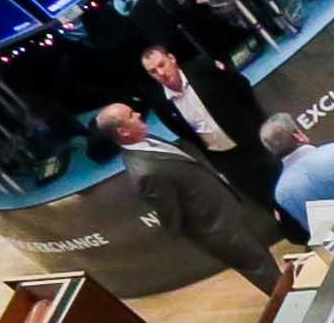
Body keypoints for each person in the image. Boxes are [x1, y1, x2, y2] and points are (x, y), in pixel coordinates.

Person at [96, 103, 283, 295]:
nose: (138, 114)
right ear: (123, 131)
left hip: (226, 211)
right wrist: (209, 231)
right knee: (263, 271)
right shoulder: (145, 173)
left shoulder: (146, 140)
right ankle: (290, 303)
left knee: (263, 260)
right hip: (218, 230)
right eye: (131, 115)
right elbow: (171, 216)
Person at [129, 38, 276, 208]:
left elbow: (241, 87)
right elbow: (183, 132)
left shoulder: (203, 68)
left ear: (172, 59)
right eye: (153, 71)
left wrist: (258, 125)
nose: (160, 73)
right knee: (262, 198)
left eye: (162, 65)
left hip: (253, 139)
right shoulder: (159, 102)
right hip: (224, 158)